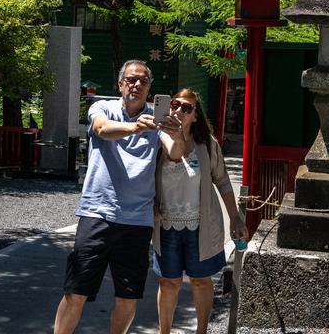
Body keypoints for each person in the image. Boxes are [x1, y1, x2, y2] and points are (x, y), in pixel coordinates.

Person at [53, 60, 185, 334]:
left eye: (143, 81)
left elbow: (174, 153)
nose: (137, 85)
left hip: (137, 220)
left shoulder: (157, 119)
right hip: (97, 214)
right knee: (75, 290)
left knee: (127, 295)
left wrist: (177, 131)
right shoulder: (103, 108)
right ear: (120, 84)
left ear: (150, 88)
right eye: (131, 80)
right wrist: (136, 127)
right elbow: (102, 129)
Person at [153, 88, 246, 334]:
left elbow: (223, 181)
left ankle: (201, 331)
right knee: (169, 282)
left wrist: (235, 217)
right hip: (166, 224)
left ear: (195, 116)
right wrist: (150, 203)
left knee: (200, 281)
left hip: (200, 225)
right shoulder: (156, 139)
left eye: (187, 108)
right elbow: (142, 178)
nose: (179, 111)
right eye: (175, 105)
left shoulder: (206, 144)